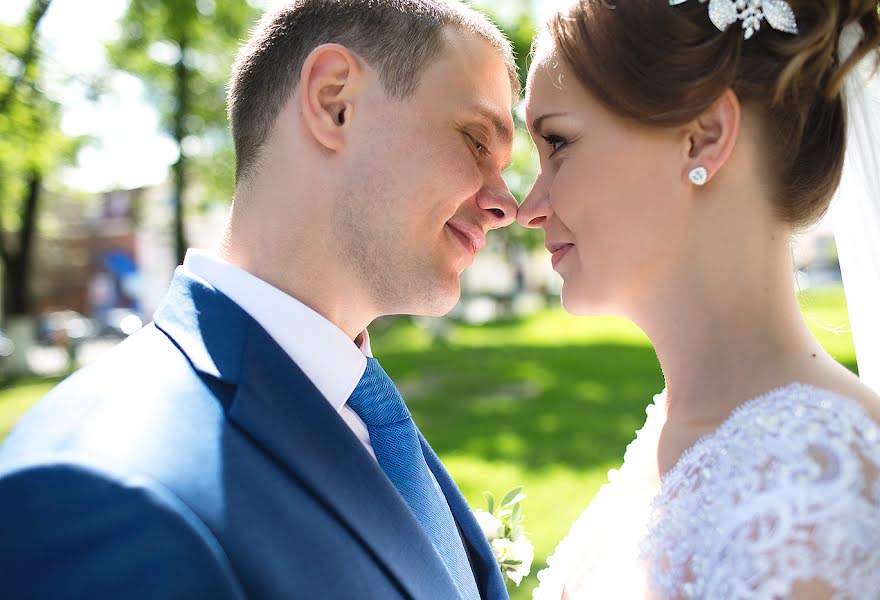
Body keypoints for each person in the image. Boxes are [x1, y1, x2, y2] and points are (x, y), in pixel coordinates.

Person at [0, 1, 520, 598]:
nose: (505, 203)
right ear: (335, 102)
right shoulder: (100, 488)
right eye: (476, 141)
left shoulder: (365, 414)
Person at [516, 0, 880, 597]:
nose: (528, 206)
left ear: (703, 137)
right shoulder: (674, 435)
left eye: (558, 142)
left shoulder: (816, 490)